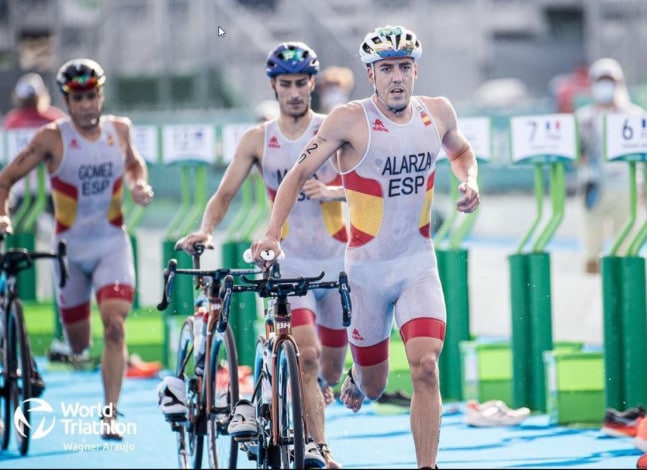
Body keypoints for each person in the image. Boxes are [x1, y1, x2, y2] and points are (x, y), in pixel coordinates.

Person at [248, 25, 480, 469]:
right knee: (373, 387)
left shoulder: (438, 112)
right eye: (386, 68)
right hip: (366, 274)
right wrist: (272, 234)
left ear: (416, 72)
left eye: (404, 68)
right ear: (371, 75)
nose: (397, 77)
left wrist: (469, 181)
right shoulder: (349, 120)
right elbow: (295, 175)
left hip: (417, 265)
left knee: (425, 367)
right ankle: (359, 374)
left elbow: (462, 151)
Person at [156, 41, 348, 468]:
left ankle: (295, 405)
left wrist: (334, 191)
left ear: (312, 84)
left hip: (336, 264)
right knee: (308, 355)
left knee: (328, 372)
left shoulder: (335, 128)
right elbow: (224, 195)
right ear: (274, 87)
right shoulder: (258, 139)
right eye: (286, 84)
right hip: (287, 262)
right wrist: (205, 228)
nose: (295, 91)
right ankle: (320, 449)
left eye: (301, 83)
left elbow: (365, 183)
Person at [0, 58, 154, 440]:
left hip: (110, 243)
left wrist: (137, 185)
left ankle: (110, 415)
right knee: (79, 345)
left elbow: (135, 165)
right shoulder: (50, 138)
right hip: (69, 250)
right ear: (67, 101)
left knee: (115, 327)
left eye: (92, 96)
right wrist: (3, 217)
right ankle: (66, 347)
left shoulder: (120, 129)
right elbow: (5, 180)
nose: (86, 105)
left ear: (101, 96)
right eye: (77, 98)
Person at [574, 57, 645, 274]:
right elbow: (574, 155)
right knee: (591, 251)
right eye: (601, 80)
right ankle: (593, 297)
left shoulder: (634, 116)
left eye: (610, 80)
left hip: (627, 187)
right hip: (593, 188)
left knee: (625, 250)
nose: (606, 85)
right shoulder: (583, 118)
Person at [2, 72, 66, 217]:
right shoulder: (55, 117)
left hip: (21, 185)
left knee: (17, 223)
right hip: (52, 185)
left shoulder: (12, 120)